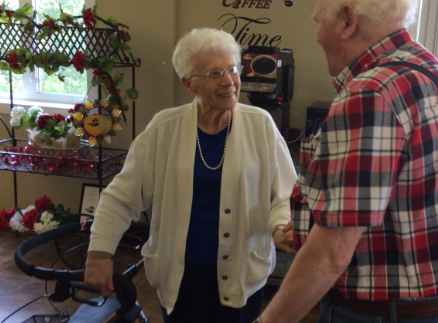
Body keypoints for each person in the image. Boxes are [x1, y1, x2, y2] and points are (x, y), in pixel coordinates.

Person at [259, 0, 438, 323]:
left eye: (318, 19)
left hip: (380, 314)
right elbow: (405, 198)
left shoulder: (370, 94)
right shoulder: (436, 72)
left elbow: (332, 254)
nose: (316, 33)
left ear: (346, 20)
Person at [84, 28, 297, 323]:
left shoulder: (260, 125)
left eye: (233, 69)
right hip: (180, 273)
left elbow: (284, 194)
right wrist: (99, 254)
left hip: (242, 270)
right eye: (214, 73)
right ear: (189, 84)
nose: (228, 81)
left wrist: (280, 227)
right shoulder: (164, 128)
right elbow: (121, 198)